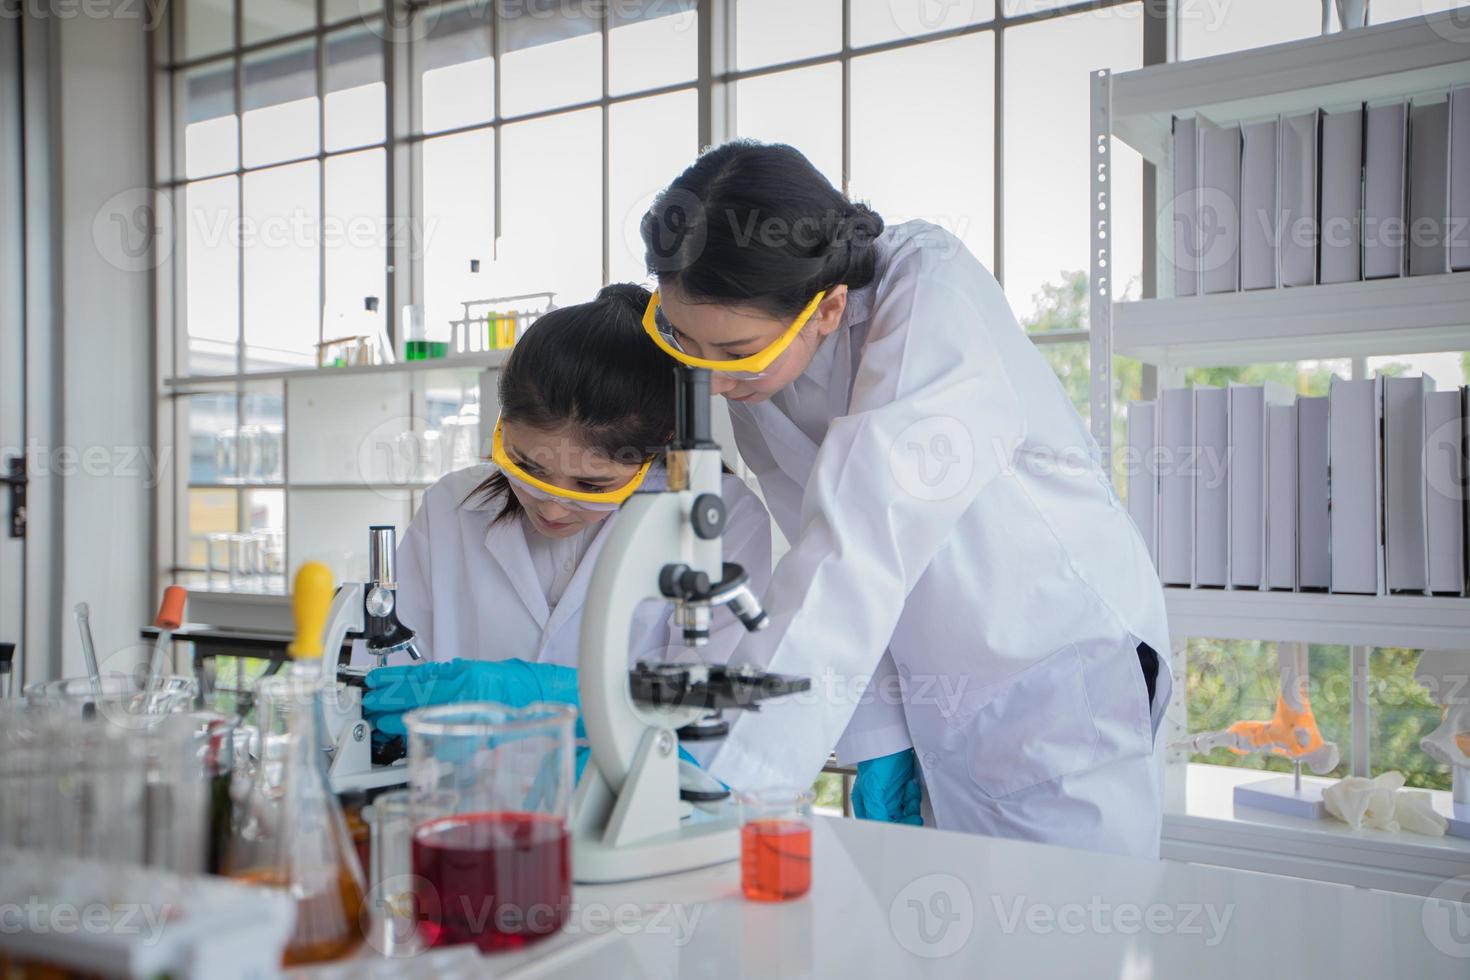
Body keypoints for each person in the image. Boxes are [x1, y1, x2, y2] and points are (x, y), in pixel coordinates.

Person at [636, 141, 1171, 858]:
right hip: (936, 687)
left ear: (825, 308)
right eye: (684, 339)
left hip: (1055, 678)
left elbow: (862, 542)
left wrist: (730, 789)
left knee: (1067, 932)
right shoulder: (756, 378)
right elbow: (817, 544)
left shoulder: (930, 295)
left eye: (735, 351)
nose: (711, 376)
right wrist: (879, 736)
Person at [360, 284, 772, 738]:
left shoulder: (721, 518)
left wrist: (553, 696)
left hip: (634, 798)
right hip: (468, 794)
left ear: (661, 448)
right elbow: (387, 670)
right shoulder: (453, 506)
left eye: (592, 485)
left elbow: (709, 704)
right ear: (502, 426)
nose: (553, 505)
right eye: (526, 466)